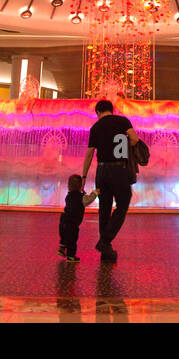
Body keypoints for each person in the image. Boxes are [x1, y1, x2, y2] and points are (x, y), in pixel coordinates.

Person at [81, 99, 136, 262]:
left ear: (98, 112)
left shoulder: (95, 127)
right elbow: (134, 139)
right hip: (119, 169)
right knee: (123, 204)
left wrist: (84, 176)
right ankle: (104, 241)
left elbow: (90, 153)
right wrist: (124, 148)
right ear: (111, 110)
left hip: (102, 170)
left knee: (104, 209)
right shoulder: (122, 121)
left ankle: (106, 252)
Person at [58, 174, 99, 262]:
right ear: (80, 186)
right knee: (72, 239)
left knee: (64, 236)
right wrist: (95, 193)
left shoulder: (68, 196)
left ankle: (62, 248)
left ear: (68, 186)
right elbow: (87, 200)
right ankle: (71, 256)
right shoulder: (81, 197)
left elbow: (77, 198)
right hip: (72, 223)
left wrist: (81, 193)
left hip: (63, 219)